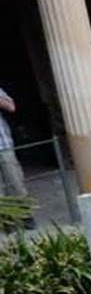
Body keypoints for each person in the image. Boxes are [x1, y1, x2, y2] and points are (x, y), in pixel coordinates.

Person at [0, 87, 35, 229]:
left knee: (15, 181)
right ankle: (6, 221)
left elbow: (11, 107)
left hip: (4, 145)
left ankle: (26, 216)